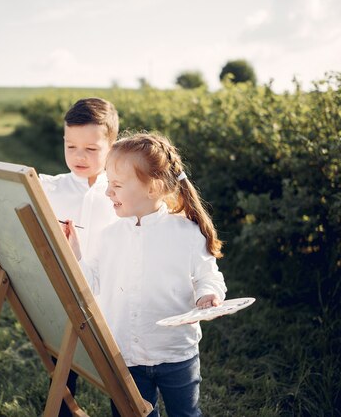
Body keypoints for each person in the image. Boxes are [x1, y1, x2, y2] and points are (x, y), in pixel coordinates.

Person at [63, 133, 227, 417]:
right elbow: (89, 283)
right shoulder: (109, 236)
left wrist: (208, 295)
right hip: (125, 356)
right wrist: (74, 254)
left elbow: (207, 276)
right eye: (107, 183)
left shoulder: (186, 233)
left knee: (185, 414)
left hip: (177, 354)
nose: (107, 192)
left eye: (116, 185)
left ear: (152, 187)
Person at [39, 97, 119, 416]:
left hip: (110, 301)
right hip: (66, 302)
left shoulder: (121, 191)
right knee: (63, 375)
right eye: (71, 147)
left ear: (111, 146)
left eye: (91, 148)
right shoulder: (49, 188)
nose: (79, 156)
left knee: (120, 377)